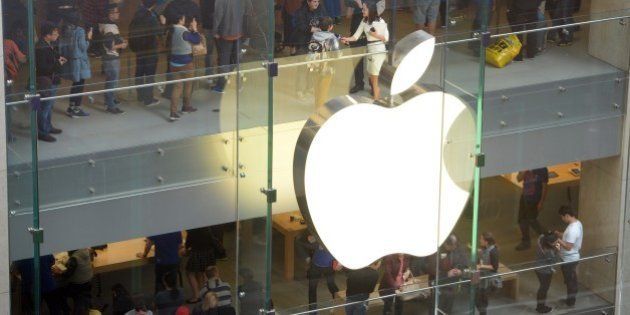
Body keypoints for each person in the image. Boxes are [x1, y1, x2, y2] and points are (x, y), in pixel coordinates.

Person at [342, 2, 389, 101]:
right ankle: (377, 95)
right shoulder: (364, 21)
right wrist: (347, 39)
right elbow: (355, 37)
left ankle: (376, 99)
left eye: (364, 9)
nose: (362, 11)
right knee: (371, 75)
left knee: (374, 77)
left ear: (370, 10)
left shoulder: (380, 21)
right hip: (371, 50)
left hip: (378, 50)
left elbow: (386, 38)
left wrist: (376, 35)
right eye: (362, 9)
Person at [211, 0, 253, 93]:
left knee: (224, 61)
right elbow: (247, 13)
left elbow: (218, 15)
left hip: (226, 34)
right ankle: (239, 85)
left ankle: (222, 86)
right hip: (239, 33)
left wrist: (215, 31)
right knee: (238, 60)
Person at [35, 22, 66, 143]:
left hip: (50, 80)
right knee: (44, 107)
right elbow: (43, 67)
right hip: (45, 81)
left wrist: (59, 58)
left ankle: (47, 127)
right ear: (47, 35)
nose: (57, 34)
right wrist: (58, 63)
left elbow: (52, 58)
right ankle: (42, 132)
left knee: (49, 105)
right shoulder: (41, 46)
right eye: (55, 33)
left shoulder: (48, 44)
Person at [167, 13, 201, 121]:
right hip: (186, 63)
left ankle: (173, 112)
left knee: (177, 87)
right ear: (180, 19)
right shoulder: (183, 31)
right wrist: (195, 29)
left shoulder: (170, 30)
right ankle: (186, 107)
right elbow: (196, 40)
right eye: (184, 18)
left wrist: (189, 30)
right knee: (188, 86)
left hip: (173, 63)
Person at [129, 0, 162, 107]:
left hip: (139, 49)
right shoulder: (151, 17)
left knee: (139, 72)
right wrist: (162, 22)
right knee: (149, 75)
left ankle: (140, 96)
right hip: (150, 49)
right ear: (153, 4)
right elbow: (159, 32)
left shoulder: (137, 14)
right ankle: (148, 99)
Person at [425, 234, 469, 315]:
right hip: (438, 285)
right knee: (435, 308)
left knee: (447, 308)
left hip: (451, 285)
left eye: (455, 245)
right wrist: (446, 274)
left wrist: (460, 271)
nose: (454, 247)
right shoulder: (436, 250)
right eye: (452, 246)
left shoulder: (459, 248)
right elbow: (430, 269)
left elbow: (465, 264)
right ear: (446, 244)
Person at [60, 11, 92, 118]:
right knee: (79, 85)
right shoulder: (79, 31)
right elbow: (83, 47)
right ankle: (76, 108)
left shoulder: (64, 30)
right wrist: (88, 38)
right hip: (79, 61)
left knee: (75, 84)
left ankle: (71, 106)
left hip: (70, 60)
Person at [99, 4, 127, 114]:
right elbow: (110, 45)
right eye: (116, 12)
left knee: (111, 80)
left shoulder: (109, 25)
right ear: (110, 14)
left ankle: (110, 100)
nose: (118, 14)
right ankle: (111, 105)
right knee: (112, 82)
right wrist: (122, 46)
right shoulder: (109, 27)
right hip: (111, 58)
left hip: (110, 58)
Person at [310, 16, 341, 110]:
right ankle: (319, 111)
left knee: (317, 88)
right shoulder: (332, 38)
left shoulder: (314, 35)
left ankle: (317, 106)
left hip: (314, 66)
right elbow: (336, 54)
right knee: (323, 90)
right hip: (327, 68)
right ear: (330, 27)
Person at [555, 206, 583, 308]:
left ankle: (570, 303)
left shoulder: (573, 229)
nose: (562, 219)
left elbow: (568, 246)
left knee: (570, 282)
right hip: (569, 259)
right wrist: (560, 234)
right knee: (570, 281)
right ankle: (569, 300)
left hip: (569, 260)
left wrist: (558, 241)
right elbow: (568, 237)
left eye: (562, 217)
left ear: (567, 215)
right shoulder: (576, 223)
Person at [515, 167, 549, 250]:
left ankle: (548, 239)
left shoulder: (542, 169)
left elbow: (545, 187)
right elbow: (518, 179)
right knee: (522, 220)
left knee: (532, 221)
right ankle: (526, 242)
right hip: (525, 197)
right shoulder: (525, 165)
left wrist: (541, 202)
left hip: (534, 199)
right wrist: (524, 171)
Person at [304, 235, 340, 312]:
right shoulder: (319, 232)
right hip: (315, 265)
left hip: (329, 266)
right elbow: (309, 242)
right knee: (312, 289)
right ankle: (312, 311)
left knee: (331, 285)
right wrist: (314, 242)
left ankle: (337, 303)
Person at [53, 248, 94, 314]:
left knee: (57, 291)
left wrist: (58, 271)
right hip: (87, 282)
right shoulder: (85, 250)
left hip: (77, 286)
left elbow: (67, 274)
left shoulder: (74, 258)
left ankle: (66, 310)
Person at [185, 227, 217, 304]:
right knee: (204, 273)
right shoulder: (206, 228)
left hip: (197, 254)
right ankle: (206, 292)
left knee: (190, 273)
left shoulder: (192, 230)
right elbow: (212, 240)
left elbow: (187, 245)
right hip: (208, 253)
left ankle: (196, 296)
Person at [4, 37, 26, 142]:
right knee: (6, 107)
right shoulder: (9, 42)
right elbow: (21, 57)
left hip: (6, 79)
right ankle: (7, 135)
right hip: (7, 79)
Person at [535, 231, 560, 313]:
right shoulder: (548, 251)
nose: (557, 242)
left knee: (542, 287)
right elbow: (554, 261)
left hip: (538, 267)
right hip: (545, 271)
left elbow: (543, 234)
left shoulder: (541, 238)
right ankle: (541, 307)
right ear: (550, 243)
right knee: (544, 288)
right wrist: (558, 250)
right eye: (555, 242)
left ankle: (540, 306)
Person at [476, 232, 499, 315]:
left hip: (489, 279)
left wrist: (481, 266)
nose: (480, 240)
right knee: (479, 297)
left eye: (481, 239)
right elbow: (482, 259)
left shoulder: (493, 251)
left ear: (486, 241)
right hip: (483, 277)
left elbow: (494, 267)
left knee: (482, 299)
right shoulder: (484, 248)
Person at [345, 0, 365, 94]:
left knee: (373, 58)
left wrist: (360, 5)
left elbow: (377, 12)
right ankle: (359, 83)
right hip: (356, 29)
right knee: (357, 59)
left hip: (370, 30)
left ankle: (372, 83)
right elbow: (348, 15)